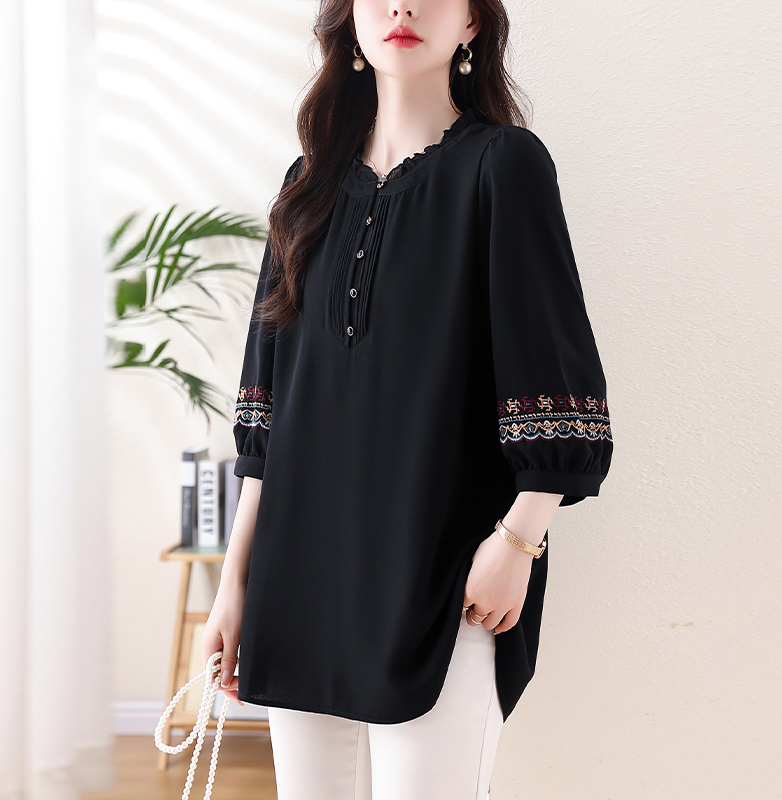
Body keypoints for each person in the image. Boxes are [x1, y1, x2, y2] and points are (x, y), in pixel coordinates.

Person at [202, 0, 614, 797]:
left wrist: (519, 543)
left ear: (472, 25)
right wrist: (235, 583)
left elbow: (557, 375)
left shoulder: (505, 165)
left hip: (446, 577)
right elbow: (266, 418)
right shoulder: (306, 187)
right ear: (350, 24)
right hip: (297, 579)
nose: (401, 5)